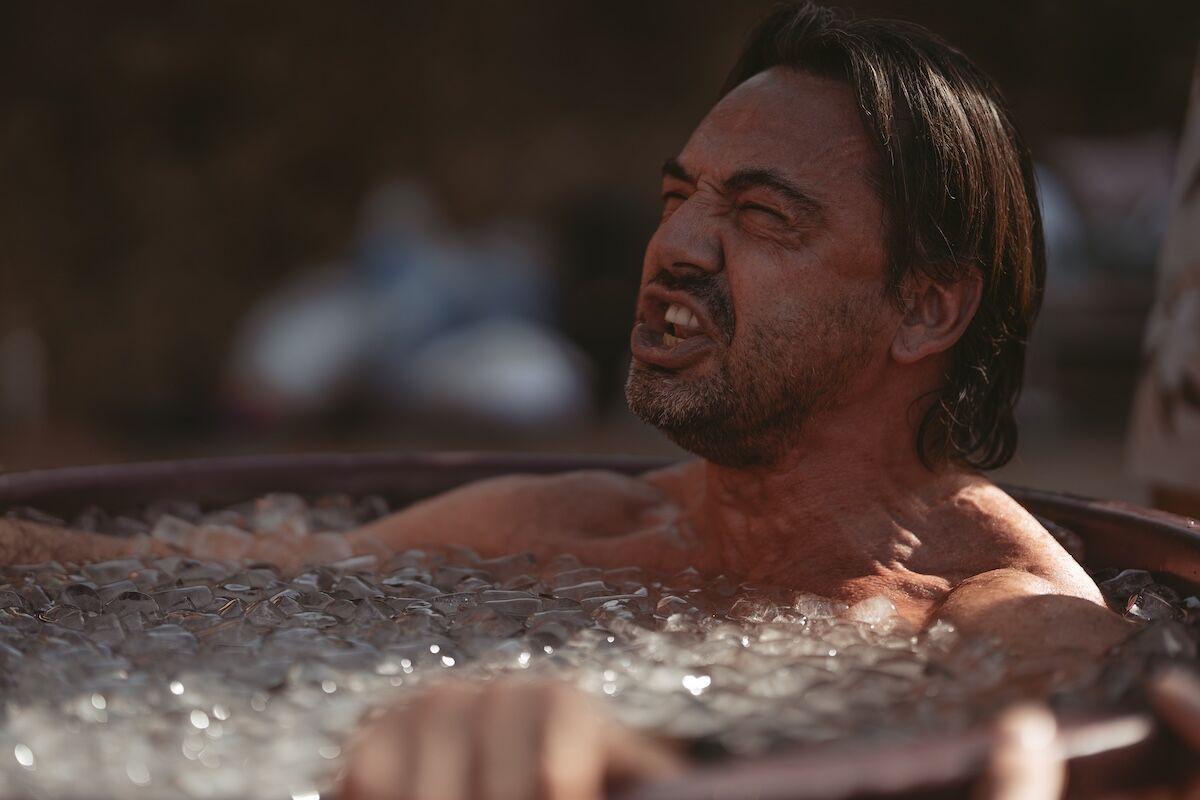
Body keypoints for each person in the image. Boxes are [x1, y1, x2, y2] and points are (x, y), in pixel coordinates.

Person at [1, 4, 1134, 797]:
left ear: (926, 308)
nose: (676, 246)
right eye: (678, 196)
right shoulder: (574, 530)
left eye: (761, 215)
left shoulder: (996, 615)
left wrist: (662, 767)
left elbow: (1082, 758)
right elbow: (226, 570)